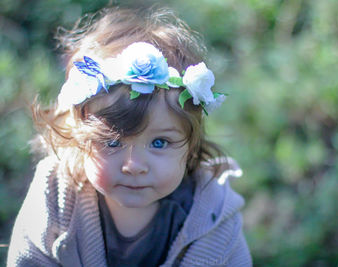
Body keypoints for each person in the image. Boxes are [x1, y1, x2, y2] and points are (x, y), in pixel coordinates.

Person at [7, 6, 252, 267]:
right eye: (112, 142)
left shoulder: (213, 216)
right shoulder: (55, 199)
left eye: (159, 142)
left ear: (190, 146)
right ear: (80, 138)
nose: (133, 166)